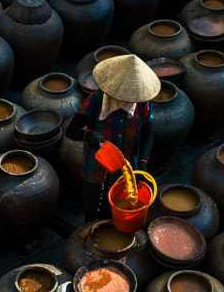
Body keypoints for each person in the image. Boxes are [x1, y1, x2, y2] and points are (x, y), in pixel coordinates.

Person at [65, 54, 161, 222]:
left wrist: (144, 163)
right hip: (96, 172)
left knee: (119, 217)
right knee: (94, 217)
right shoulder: (96, 99)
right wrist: (88, 135)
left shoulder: (142, 103)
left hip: (127, 173)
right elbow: (71, 130)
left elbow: (147, 132)